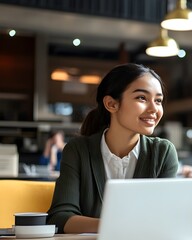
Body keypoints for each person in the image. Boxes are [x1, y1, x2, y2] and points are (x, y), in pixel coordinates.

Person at [47, 63, 179, 233]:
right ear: (111, 104)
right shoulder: (78, 150)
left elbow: (165, 218)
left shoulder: (163, 153)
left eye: (158, 100)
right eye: (142, 98)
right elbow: (60, 217)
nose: (154, 109)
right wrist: (117, 226)